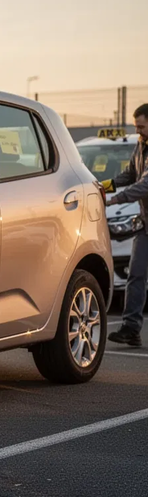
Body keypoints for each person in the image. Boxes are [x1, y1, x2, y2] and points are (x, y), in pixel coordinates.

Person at [104, 103, 148, 347]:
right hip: (145, 224)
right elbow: (130, 174)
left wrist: (115, 199)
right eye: (136, 127)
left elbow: (144, 185)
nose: (138, 131)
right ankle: (131, 329)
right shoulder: (141, 145)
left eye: (141, 126)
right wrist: (104, 186)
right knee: (136, 275)